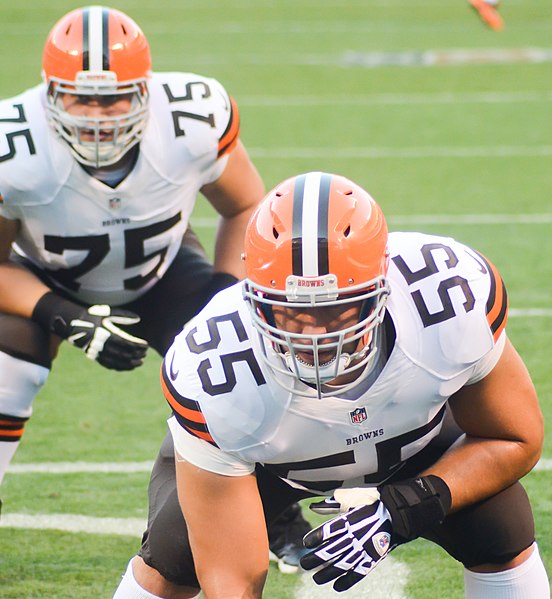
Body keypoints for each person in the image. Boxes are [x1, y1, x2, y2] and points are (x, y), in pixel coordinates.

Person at [114, 171, 549, 598]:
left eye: (337, 309)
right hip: (270, 466)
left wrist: (407, 507)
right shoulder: (215, 367)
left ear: (384, 286)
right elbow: (232, 583)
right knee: (174, 556)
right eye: (291, 311)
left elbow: (516, 437)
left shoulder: (446, 296)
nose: (314, 334)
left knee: (499, 524)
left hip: (414, 444)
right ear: (253, 298)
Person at [0, 5, 310, 571]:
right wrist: (63, 314)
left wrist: (224, 295)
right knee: (6, 361)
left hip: (163, 271)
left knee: (249, 363)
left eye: (115, 97)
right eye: (81, 97)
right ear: (49, 95)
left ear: (145, 90)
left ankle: (277, 515)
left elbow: (245, 206)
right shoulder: (15, 148)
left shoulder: (190, 121)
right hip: (44, 278)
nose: (98, 115)